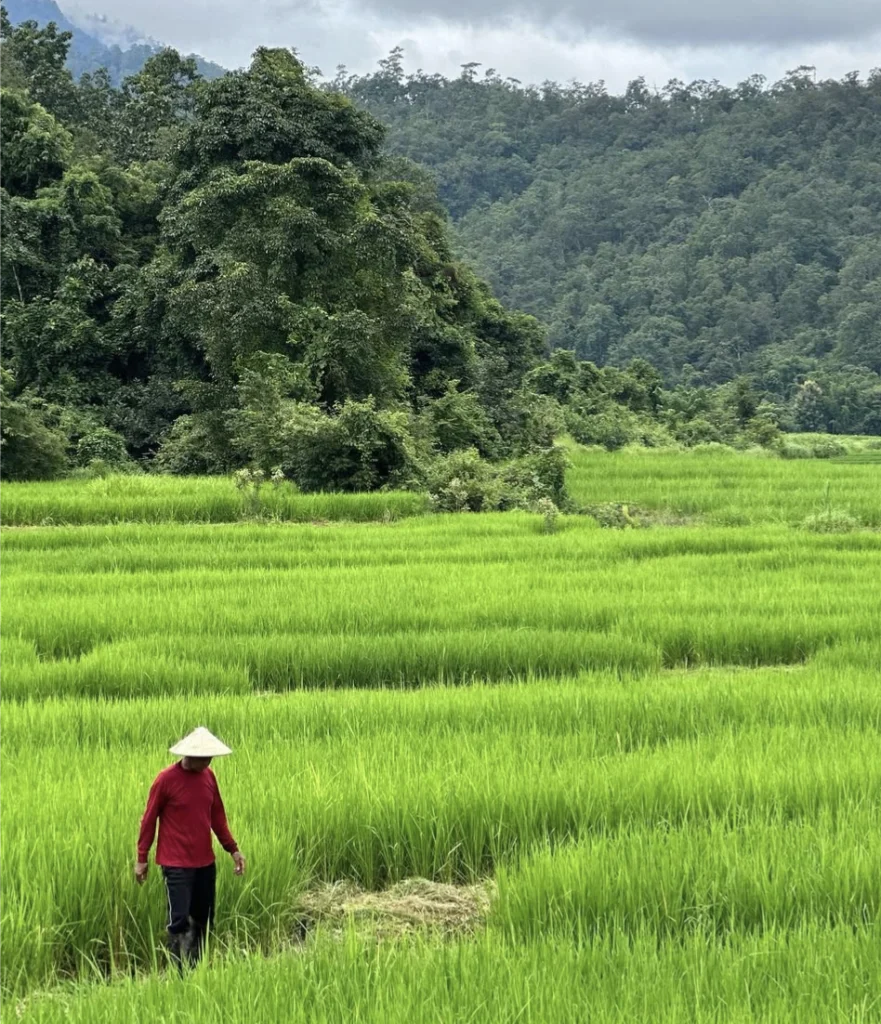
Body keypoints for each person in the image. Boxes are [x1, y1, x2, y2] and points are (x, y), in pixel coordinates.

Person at [135, 727, 246, 968]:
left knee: (204, 919)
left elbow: (217, 817)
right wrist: (141, 857)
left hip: (205, 863)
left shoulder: (209, 777)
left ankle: (198, 968)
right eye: (204, 757)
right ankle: (178, 973)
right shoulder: (165, 780)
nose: (208, 761)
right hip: (176, 866)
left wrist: (233, 849)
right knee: (179, 921)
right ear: (189, 755)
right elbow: (148, 819)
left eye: (210, 757)